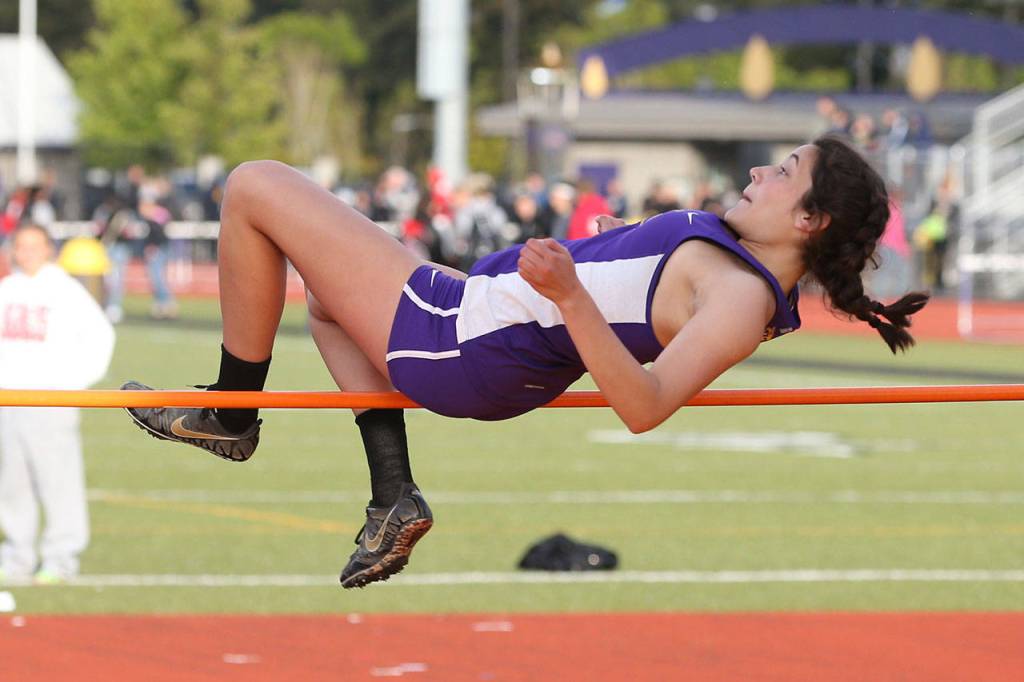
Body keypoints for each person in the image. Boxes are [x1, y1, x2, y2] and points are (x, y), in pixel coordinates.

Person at [122, 136, 929, 589]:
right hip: (477, 326)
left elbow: (645, 406)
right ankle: (391, 497)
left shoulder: (743, 298)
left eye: (783, 173)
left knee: (255, 185)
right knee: (327, 303)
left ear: (812, 219)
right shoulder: (735, 265)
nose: (760, 171)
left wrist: (574, 293)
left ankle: (231, 414)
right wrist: (612, 248)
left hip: (464, 337)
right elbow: (637, 297)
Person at [0, 224, 115, 584]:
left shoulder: (64, 291)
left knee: (58, 482)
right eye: (21, 246)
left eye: (35, 246)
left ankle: (60, 558)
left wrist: (73, 385)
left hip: (51, 400)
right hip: (9, 399)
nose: (28, 252)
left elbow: (100, 336)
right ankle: (17, 557)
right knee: (12, 485)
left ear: (48, 249)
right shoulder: (7, 289)